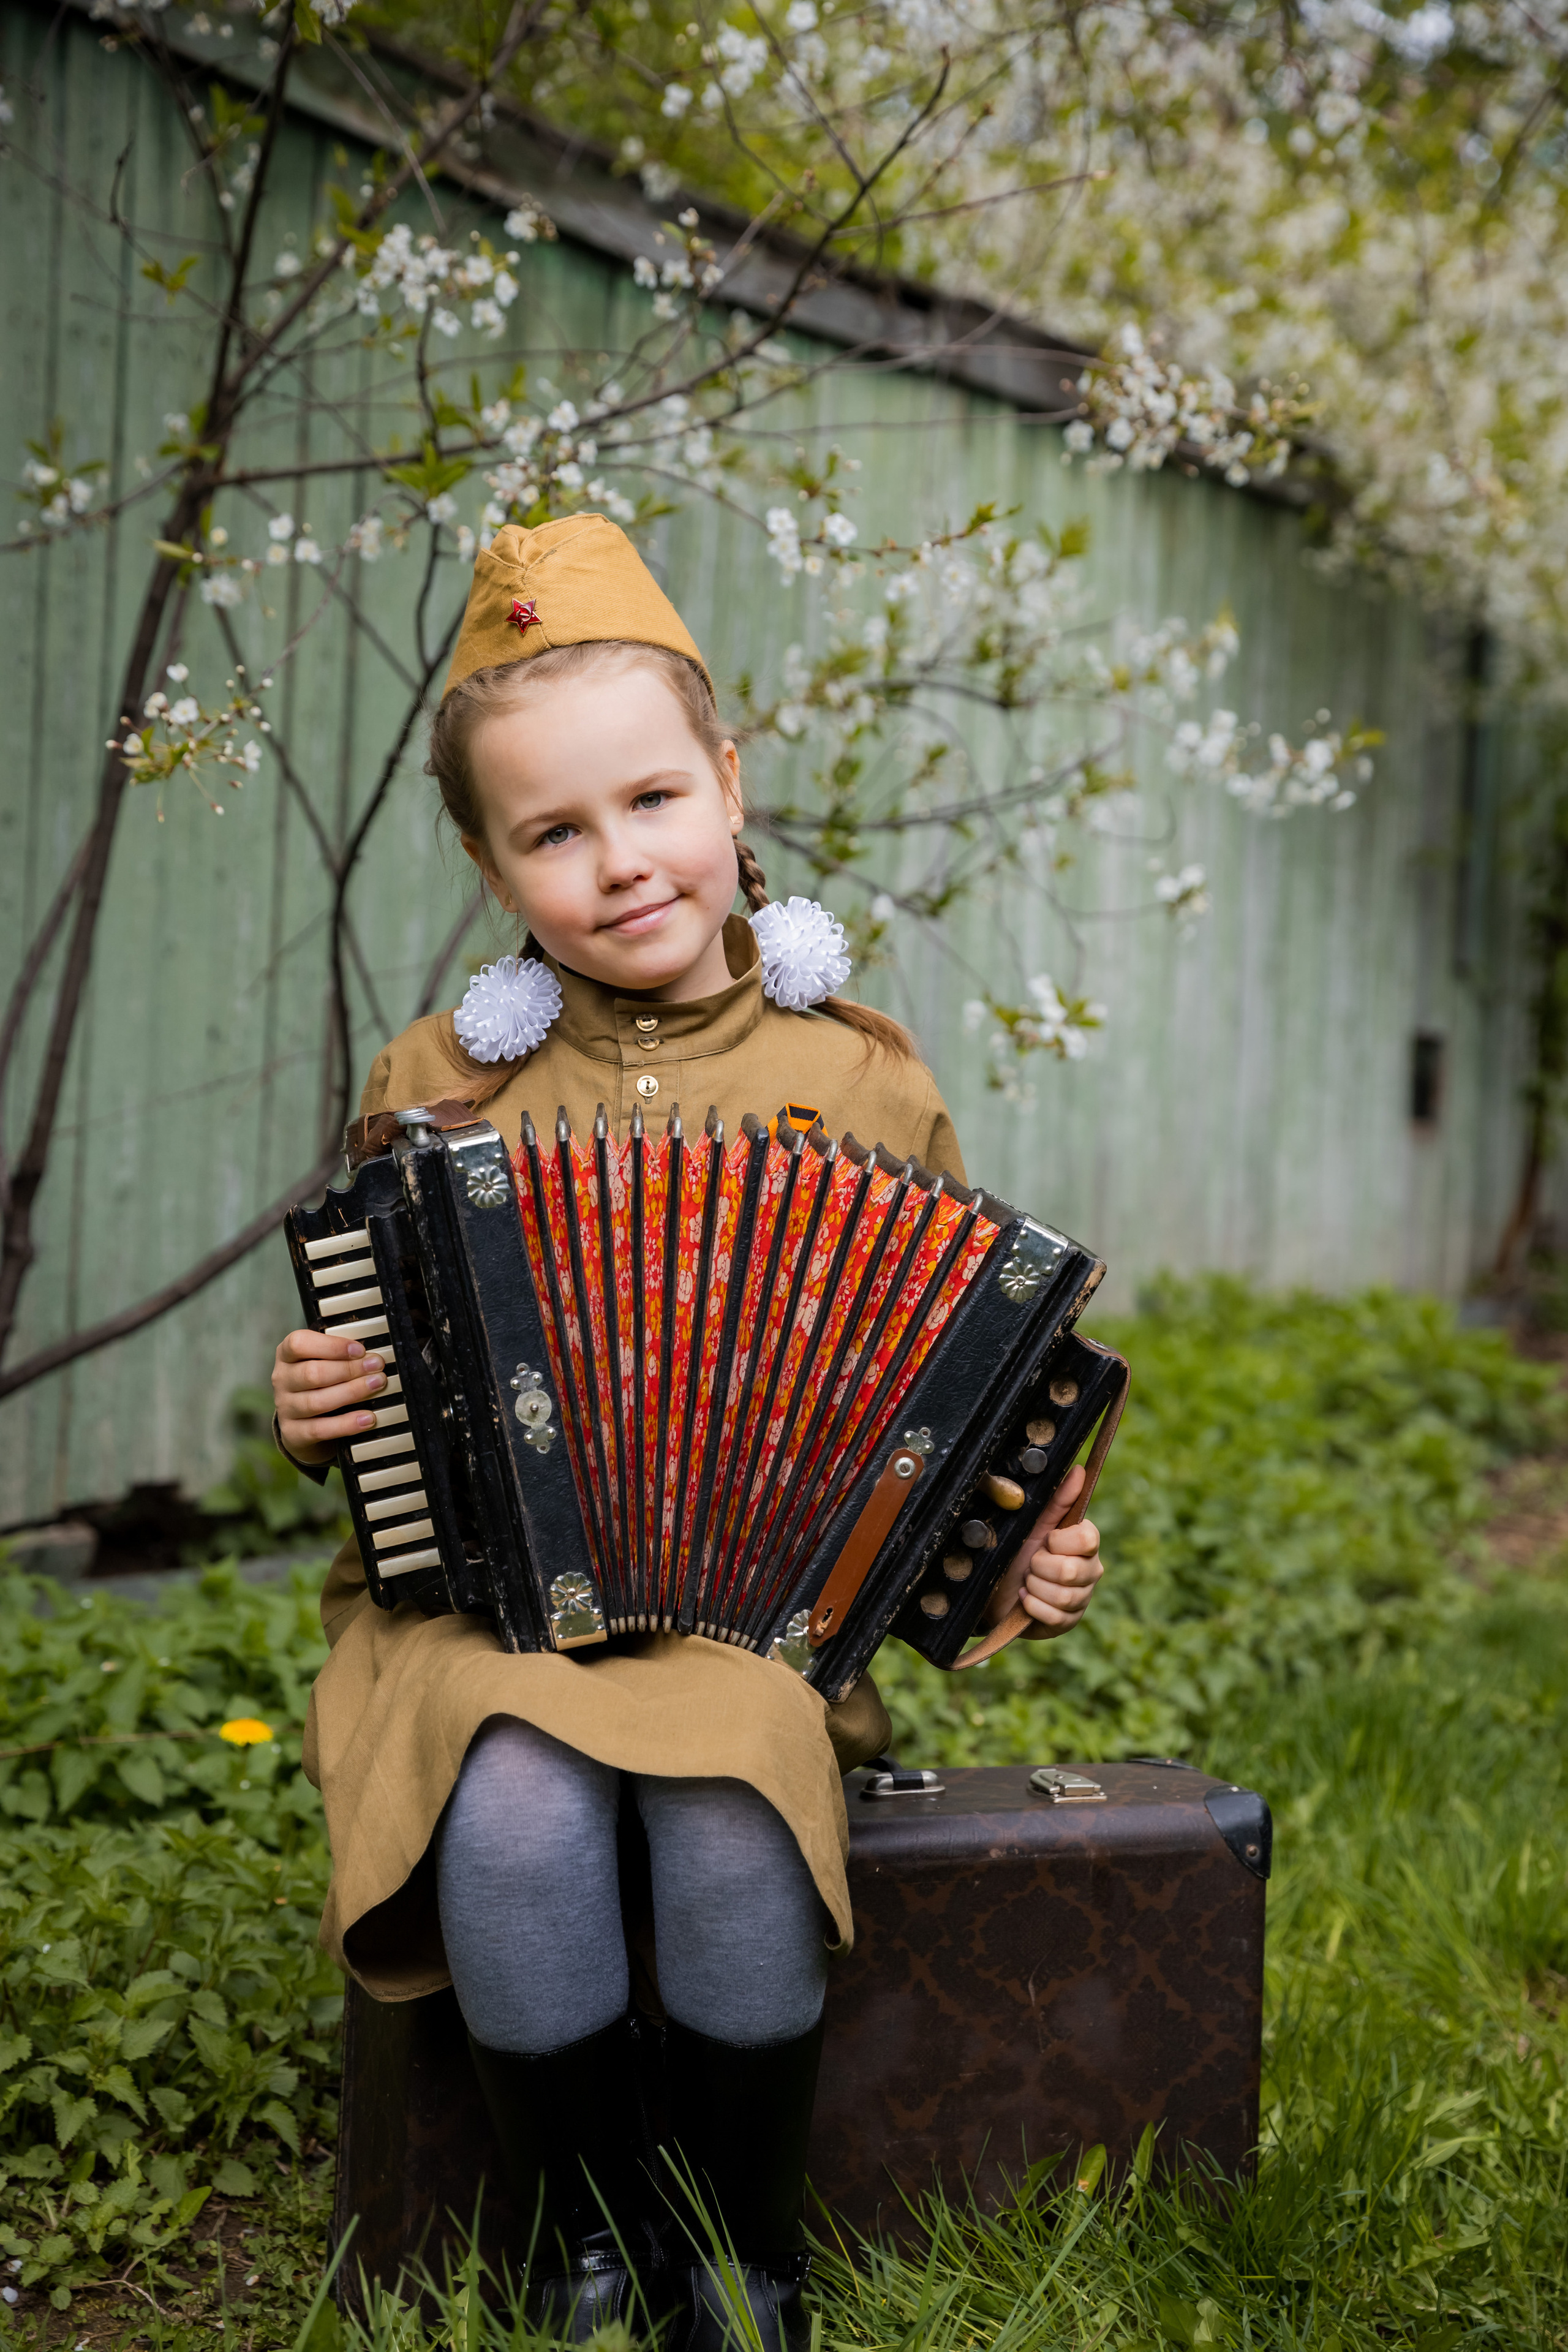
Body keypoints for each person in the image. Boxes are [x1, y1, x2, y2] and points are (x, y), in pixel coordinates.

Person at [271, 516, 1106, 2350]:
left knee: (729, 1810)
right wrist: (316, 1401)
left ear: (727, 786)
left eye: (651, 800)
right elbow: (377, 1382)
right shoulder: (442, 1084)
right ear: (490, 858)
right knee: (510, 1813)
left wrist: (1013, 1554)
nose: (618, 861)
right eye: (553, 832)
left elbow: (964, 1395)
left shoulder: (856, 1078)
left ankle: (740, 2253)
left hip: (750, 1620)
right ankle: (586, 2247)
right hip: (480, 1618)